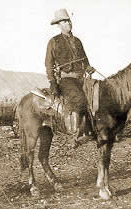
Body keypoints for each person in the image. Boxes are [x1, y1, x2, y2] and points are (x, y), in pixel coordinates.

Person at [45, 8, 95, 144]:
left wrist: (89, 68)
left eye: (68, 20)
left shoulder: (78, 41)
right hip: (66, 79)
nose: (68, 23)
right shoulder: (53, 42)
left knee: (98, 94)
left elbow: (85, 61)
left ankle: (94, 130)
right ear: (59, 25)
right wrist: (53, 83)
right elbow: (48, 65)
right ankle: (76, 134)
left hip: (81, 78)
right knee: (78, 98)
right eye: (64, 21)